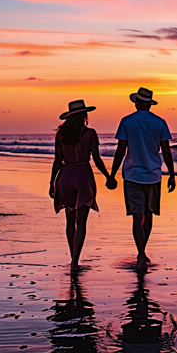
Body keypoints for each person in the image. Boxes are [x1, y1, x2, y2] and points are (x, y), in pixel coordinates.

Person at [108, 87, 176, 271]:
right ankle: (141, 252)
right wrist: (172, 174)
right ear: (149, 103)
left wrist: (112, 175)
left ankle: (140, 255)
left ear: (137, 102)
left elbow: (121, 150)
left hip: (132, 175)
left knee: (137, 219)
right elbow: (166, 151)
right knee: (149, 216)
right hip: (154, 175)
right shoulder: (160, 122)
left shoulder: (127, 121)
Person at [49, 99, 113, 270]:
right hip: (84, 174)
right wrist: (108, 176)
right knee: (81, 222)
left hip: (65, 176)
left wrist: (52, 182)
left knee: (70, 220)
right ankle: (75, 261)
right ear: (84, 115)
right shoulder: (90, 133)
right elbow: (97, 158)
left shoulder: (61, 135)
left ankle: (73, 257)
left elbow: (57, 161)